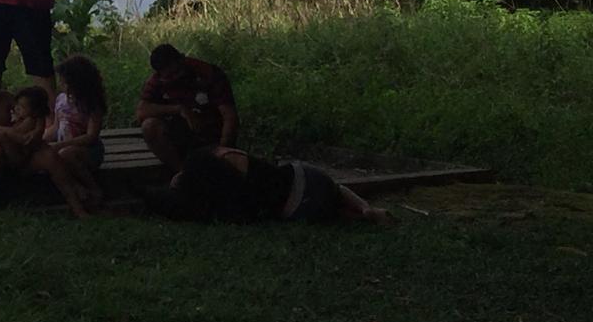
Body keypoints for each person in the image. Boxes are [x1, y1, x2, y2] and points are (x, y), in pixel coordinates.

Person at [0, 58, 89, 217]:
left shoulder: (6, 98)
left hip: (18, 152)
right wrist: (17, 133)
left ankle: (78, 207)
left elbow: (35, 111)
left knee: (48, 154)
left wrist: (36, 130)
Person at [145, 145, 392, 225]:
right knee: (335, 191)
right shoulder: (224, 158)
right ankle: (365, 208)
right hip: (304, 177)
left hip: (296, 209)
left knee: (329, 210)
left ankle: (358, 215)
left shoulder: (217, 200)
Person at [136, 43, 239, 174]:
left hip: (212, 135)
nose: (175, 78)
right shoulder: (158, 81)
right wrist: (180, 110)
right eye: (169, 76)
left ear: (182, 60)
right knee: (149, 126)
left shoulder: (209, 74)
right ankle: (181, 173)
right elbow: (142, 111)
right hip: (180, 137)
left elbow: (229, 117)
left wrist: (224, 149)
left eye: (176, 72)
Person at [46, 54, 107, 206]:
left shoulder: (92, 103)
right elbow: (56, 126)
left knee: (65, 154)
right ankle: (77, 188)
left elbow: (91, 136)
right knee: (50, 155)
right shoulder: (61, 99)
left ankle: (93, 188)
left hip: (87, 150)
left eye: (65, 82)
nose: (62, 85)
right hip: (62, 147)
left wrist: (63, 145)